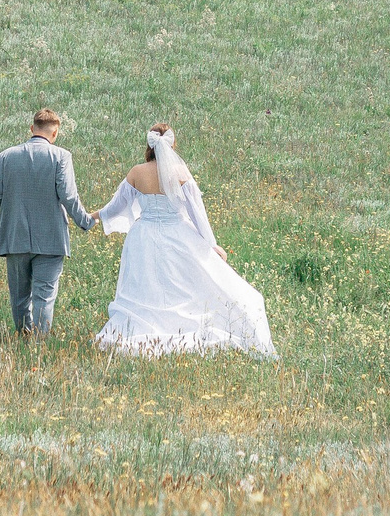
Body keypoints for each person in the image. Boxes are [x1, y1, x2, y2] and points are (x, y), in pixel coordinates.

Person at [89, 125, 275, 358]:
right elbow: (197, 211)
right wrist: (211, 243)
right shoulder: (179, 173)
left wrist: (91, 217)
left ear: (149, 146)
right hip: (177, 234)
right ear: (172, 145)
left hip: (143, 237)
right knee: (180, 283)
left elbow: (115, 207)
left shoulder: (137, 172)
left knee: (146, 285)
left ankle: (147, 327)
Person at [0, 107, 98, 339]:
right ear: (55, 132)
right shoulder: (61, 156)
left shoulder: (6, 156)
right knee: (44, 295)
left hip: (15, 235)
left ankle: (23, 336)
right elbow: (68, 196)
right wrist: (85, 221)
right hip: (51, 238)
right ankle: (38, 343)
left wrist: (13, 212)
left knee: (19, 295)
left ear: (32, 128)